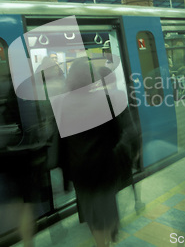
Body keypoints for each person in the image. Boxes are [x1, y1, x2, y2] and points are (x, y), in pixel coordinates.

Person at [58, 57, 126, 247]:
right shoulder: (104, 100)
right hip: (104, 165)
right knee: (107, 205)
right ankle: (111, 229)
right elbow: (116, 134)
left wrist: (66, 173)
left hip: (80, 169)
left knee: (92, 213)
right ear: (92, 77)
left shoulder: (63, 104)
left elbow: (62, 142)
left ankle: (101, 243)